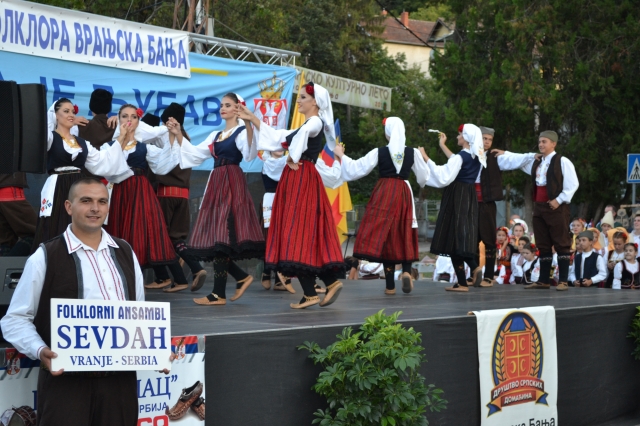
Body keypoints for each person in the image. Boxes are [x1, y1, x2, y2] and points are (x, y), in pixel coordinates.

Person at [1, 178, 148, 425]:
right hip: (65, 382)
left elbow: (140, 314)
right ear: (69, 207)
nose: (95, 208)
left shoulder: (125, 252)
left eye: (102, 201)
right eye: (86, 201)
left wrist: (154, 351)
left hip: (119, 384)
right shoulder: (45, 255)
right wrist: (41, 350)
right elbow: (15, 319)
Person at [239, 82, 345, 309]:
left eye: (303, 97)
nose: (299, 101)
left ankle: (323, 285)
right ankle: (317, 289)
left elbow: (304, 135)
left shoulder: (315, 121)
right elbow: (277, 136)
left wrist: (292, 156)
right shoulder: (307, 123)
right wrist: (251, 116)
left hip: (301, 178)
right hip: (298, 178)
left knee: (295, 231)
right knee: (295, 233)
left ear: (315, 102)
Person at [170, 93, 264, 306]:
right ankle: (238, 279)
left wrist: (248, 123)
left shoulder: (241, 131)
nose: (223, 108)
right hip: (217, 183)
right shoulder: (215, 135)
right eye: (222, 105)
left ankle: (219, 293)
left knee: (222, 235)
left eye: (228, 105)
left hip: (231, 182)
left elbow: (249, 154)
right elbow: (193, 155)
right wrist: (178, 134)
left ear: (237, 108)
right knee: (218, 238)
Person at [333, 117, 429, 295]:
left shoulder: (380, 152)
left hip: (385, 192)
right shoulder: (413, 153)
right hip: (403, 193)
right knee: (404, 232)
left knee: (386, 235)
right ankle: (407, 271)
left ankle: (390, 285)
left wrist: (341, 155)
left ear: (389, 133)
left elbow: (357, 168)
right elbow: (423, 178)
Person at [437, 126, 536, 288]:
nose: (487, 142)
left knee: (489, 239)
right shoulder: (469, 155)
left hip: (486, 203)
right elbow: (454, 160)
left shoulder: (494, 157)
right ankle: (474, 274)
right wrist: (442, 146)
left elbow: (516, 160)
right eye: (484, 138)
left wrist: (526, 155)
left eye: (490, 139)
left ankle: (489, 276)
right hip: (469, 203)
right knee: (471, 239)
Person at [33, 98, 133, 250]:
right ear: (55, 115)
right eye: (66, 111)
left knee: (78, 225)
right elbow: (35, 143)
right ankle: (52, 263)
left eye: (73, 111)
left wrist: (121, 137)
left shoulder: (82, 143)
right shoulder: (50, 138)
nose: (71, 114)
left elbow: (102, 161)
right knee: (55, 225)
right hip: (57, 187)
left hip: (78, 187)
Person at [103, 104, 183, 277]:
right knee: (118, 229)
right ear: (119, 119)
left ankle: (135, 281)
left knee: (137, 230)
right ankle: (119, 279)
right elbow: (105, 167)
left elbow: (165, 163)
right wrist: (120, 141)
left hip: (139, 192)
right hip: (117, 192)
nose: (129, 120)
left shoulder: (144, 148)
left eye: (134, 117)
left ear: (139, 121)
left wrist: (172, 135)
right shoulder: (108, 147)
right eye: (125, 116)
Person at [495, 130, 579, 291]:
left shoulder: (562, 161)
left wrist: (559, 200)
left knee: (561, 242)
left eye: (545, 142)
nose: (541, 144)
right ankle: (543, 280)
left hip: (556, 207)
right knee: (543, 243)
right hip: (539, 207)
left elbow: (573, 184)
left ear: (553, 144)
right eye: (540, 141)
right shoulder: (537, 162)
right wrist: (505, 153)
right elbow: (519, 159)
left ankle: (562, 280)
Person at [145, 104, 208, 293]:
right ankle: (194, 269)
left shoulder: (165, 136)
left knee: (159, 237)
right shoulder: (185, 138)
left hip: (164, 193)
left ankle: (170, 277)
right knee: (176, 238)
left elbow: (155, 165)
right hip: (182, 195)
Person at [421, 124, 486, 292]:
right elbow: (456, 161)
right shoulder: (477, 156)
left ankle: (464, 282)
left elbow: (444, 173)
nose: (457, 137)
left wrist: (425, 157)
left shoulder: (461, 157)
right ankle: (473, 268)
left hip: (456, 195)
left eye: (459, 135)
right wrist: (442, 145)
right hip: (469, 195)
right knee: (462, 235)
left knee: (452, 236)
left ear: (465, 138)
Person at [258, 149, 295, 293]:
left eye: (281, 145)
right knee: (270, 238)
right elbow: (277, 164)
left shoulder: (287, 162)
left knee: (284, 238)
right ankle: (267, 271)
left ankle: (280, 279)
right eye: (275, 145)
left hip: (285, 202)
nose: (279, 148)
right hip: (270, 202)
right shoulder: (268, 162)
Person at [0, 173, 37, 256]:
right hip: (10, 191)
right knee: (38, 234)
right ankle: (9, 262)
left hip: (6, 189)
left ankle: (4, 266)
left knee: (6, 241)